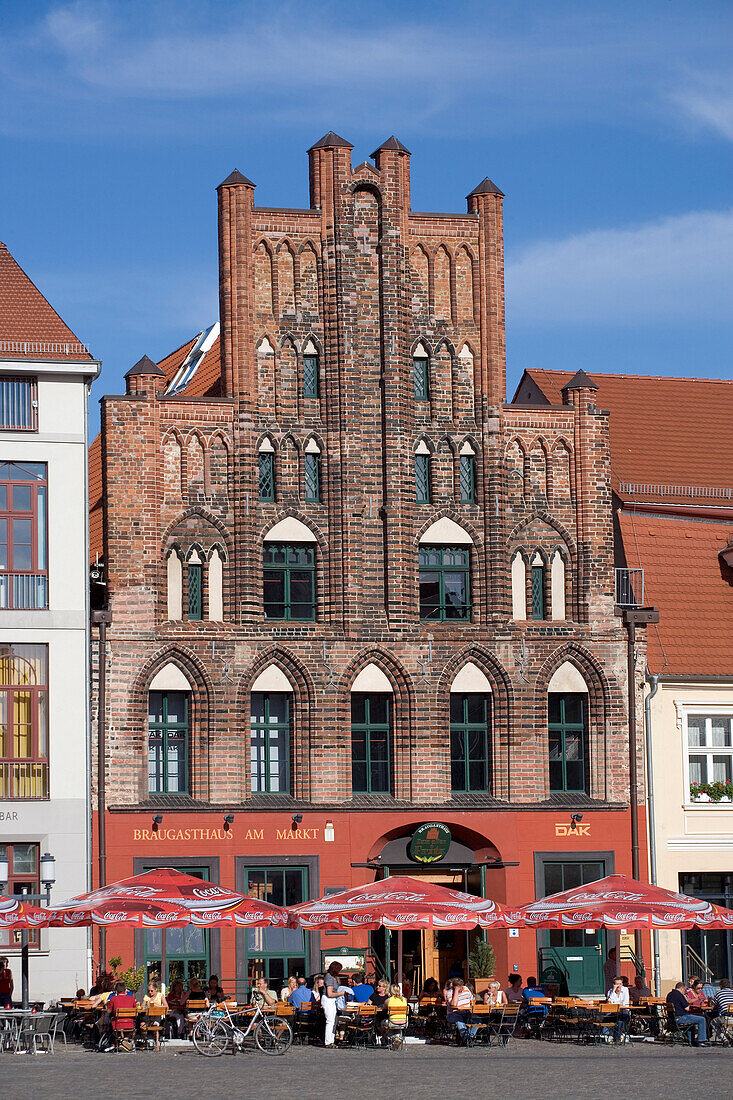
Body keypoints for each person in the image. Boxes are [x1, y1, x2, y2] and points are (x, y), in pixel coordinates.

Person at [666, 981, 708, 1046]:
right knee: (701, 1019)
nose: (685, 992)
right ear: (681, 989)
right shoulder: (680, 995)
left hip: (672, 1019)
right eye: (685, 990)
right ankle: (701, 1041)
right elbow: (687, 1008)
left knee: (692, 1019)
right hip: (680, 1018)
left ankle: (691, 1040)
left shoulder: (669, 995)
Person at [321, 961, 352, 1048]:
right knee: (330, 1021)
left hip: (331, 1000)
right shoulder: (330, 978)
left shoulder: (330, 977)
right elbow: (329, 993)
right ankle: (328, 1042)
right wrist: (341, 994)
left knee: (333, 1021)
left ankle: (331, 1040)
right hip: (328, 1000)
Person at [107, 980, 137, 1051]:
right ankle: (125, 1042)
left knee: (109, 1022)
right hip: (130, 1024)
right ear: (125, 990)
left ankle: (121, 1042)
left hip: (118, 1024)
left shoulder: (113, 999)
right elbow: (135, 1010)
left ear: (116, 991)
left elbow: (109, 1011)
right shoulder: (131, 998)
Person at [445, 976, 474, 1044]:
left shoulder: (466, 989)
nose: (461, 988)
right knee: (458, 1019)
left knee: (477, 1020)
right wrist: (456, 992)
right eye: (459, 987)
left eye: (461, 986)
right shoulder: (450, 992)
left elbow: (472, 999)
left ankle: (470, 1036)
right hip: (453, 1014)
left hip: (466, 1012)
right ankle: (466, 1038)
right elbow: (454, 1005)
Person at [141, 979, 168, 1051]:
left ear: (156, 989)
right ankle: (146, 1042)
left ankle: (156, 1044)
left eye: (151, 991)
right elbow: (142, 1007)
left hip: (157, 1016)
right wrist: (145, 1004)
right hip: (148, 1016)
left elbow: (166, 1007)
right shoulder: (147, 996)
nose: (150, 992)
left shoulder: (160, 996)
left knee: (156, 1025)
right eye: (149, 991)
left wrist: (157, 1005)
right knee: (142, 1024)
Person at [605, 975, 630, 1042]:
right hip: (613, 1012)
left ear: (622, 984)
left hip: (623, 1011)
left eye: (620, 984)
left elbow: (625, 1003)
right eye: (616, 984)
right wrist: (613, 991)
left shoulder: (625, 990)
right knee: (619, 1019)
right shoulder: (610, 992)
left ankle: (616, 1037)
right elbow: (609, 1003)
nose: (618, 986)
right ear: (613, 985)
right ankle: (618, 1037)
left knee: (622, 1017)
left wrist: (616, 1005)